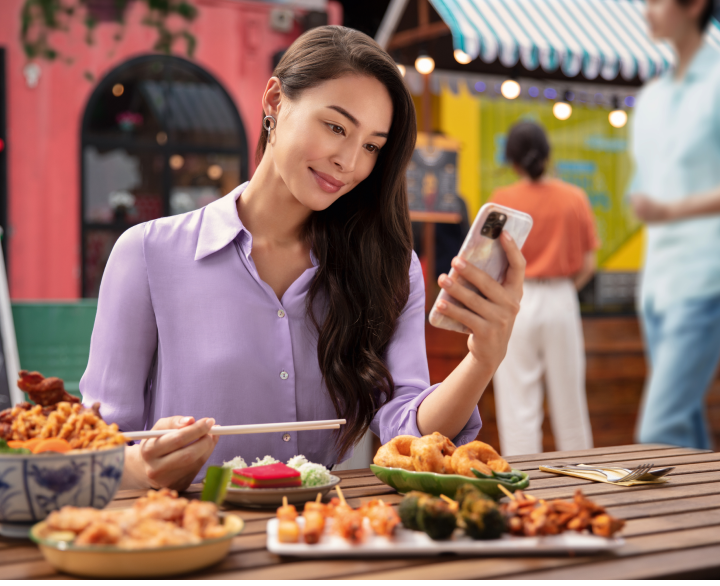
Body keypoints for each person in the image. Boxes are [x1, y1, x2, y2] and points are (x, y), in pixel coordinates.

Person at [81, 26, 526, 491]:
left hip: (321, 541)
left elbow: (408, 430)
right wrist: (142, 466)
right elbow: (102, 445)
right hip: (193, 540)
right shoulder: (148, 254)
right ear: (274, 101)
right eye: (336, 127)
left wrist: (482, 358)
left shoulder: (388, 268)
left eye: (372, 146)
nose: (349, 162)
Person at [630, 0, 720, 449]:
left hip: (706, 281)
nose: (645, 10)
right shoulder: (651, 97)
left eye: (654, 0)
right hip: (657, 286)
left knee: (660, 428)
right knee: (684, 427)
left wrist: (672, 211)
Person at [489, 121, 598, 456]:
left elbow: (487, 260)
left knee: (517, 401)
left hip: (516, 300)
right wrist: (564, 288)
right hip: (561, 298)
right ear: (548, 155)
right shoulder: (575, 198)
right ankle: (584, 481)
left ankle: (526, 488)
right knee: (570, 400)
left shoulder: (500, 202)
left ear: (512, 160)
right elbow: (589, 263)